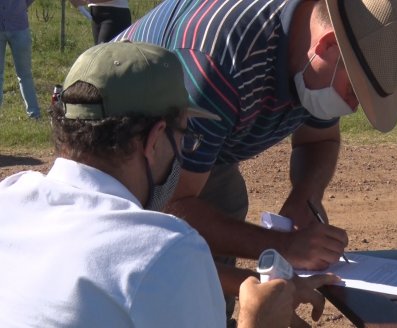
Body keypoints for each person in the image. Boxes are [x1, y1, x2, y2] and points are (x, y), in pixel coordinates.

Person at [115, 0, 397, 324]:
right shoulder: (220, 60)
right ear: (327, 44)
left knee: (221, 215)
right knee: (171, 280)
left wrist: (304, 198)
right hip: (122, 148)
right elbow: (171, 205)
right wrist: (284, 245)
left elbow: (319, 140)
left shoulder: (316, 62)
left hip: (195, 143)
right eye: (354, 91)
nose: (352, 107)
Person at [0, 41, 336, 327]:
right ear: (155, 139)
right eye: (182, 136)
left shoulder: (10, 199)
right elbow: (152, 264)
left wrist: (247, 284)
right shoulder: (166, 247)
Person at [0, 0, 40, 119]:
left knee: (24, 74)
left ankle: (34, 114)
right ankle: (34, 113)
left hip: (19, 25)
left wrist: (20, 7)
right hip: (18, 24)